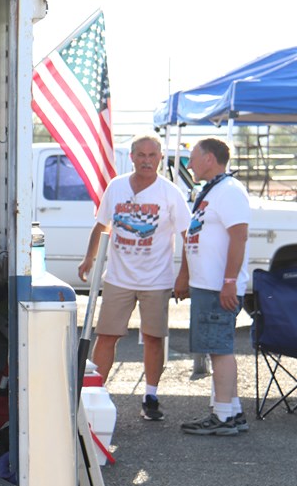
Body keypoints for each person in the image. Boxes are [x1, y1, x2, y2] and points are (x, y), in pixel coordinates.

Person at [78, 134, 191, 421]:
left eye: (152, 156)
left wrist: (184, 274)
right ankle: (95, 394)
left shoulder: (169, 193)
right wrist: (89, 257)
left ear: (160, 159)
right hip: (118, 276)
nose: (147, 161)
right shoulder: (116, 187)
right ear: (131, 157)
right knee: (106, 335)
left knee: (154, 337)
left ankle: (150, 395)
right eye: (141, 155)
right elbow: (102, 224)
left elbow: (187, 235)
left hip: (157, 279)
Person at [175, 137, 251, 436]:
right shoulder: (214, 190)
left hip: (218, 286)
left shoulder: (229, 191)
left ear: (209, 158)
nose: (189, 164)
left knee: (219, 350)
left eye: (193, 157)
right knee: (218, 348)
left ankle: (221, 417)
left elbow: (239, 236)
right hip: (207, 285)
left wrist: (229, 281)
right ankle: (231, 411)